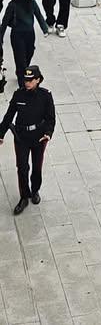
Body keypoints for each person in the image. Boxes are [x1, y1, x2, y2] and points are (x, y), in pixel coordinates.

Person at [0, 65, 55, 215]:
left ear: (38, 80)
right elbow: (9, 115)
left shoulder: (45, 96)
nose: (27, 83)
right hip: (21, 137)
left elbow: (50, 118)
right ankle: (24, 196)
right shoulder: (19, 95)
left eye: (31, 80)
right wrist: (1, 133)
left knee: (37, 167)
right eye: (26, 80)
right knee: (22, 168)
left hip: (38, 137)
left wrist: (48, 133)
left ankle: (35, 190)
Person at [0, 0, 49, 86]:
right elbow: (4, 22)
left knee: (29, 54)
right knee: (20, 58)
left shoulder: (31, 2)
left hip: (30, 34)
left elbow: (38, 15)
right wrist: (1, 37)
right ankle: (23, 82)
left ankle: (20, 72)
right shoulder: (13, 5)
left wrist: (45, 28)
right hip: (17, 35)